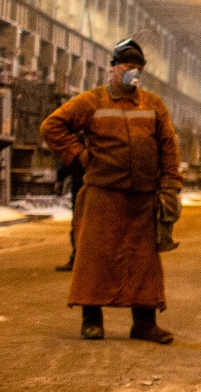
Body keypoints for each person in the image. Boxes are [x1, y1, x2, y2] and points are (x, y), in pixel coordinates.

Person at [39, 39, 183, 342]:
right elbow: (52, 127)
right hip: (103, 194)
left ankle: (143, 324)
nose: (133, 73)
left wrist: (170, 186)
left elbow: (169, 147)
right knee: (95, 258)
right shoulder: (92, 102)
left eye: (138, 68)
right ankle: (91, 320)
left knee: (144, 262)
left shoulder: (153, 104)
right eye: (128, 67)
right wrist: (78, 155)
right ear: (113, 68)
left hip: (143, 196)